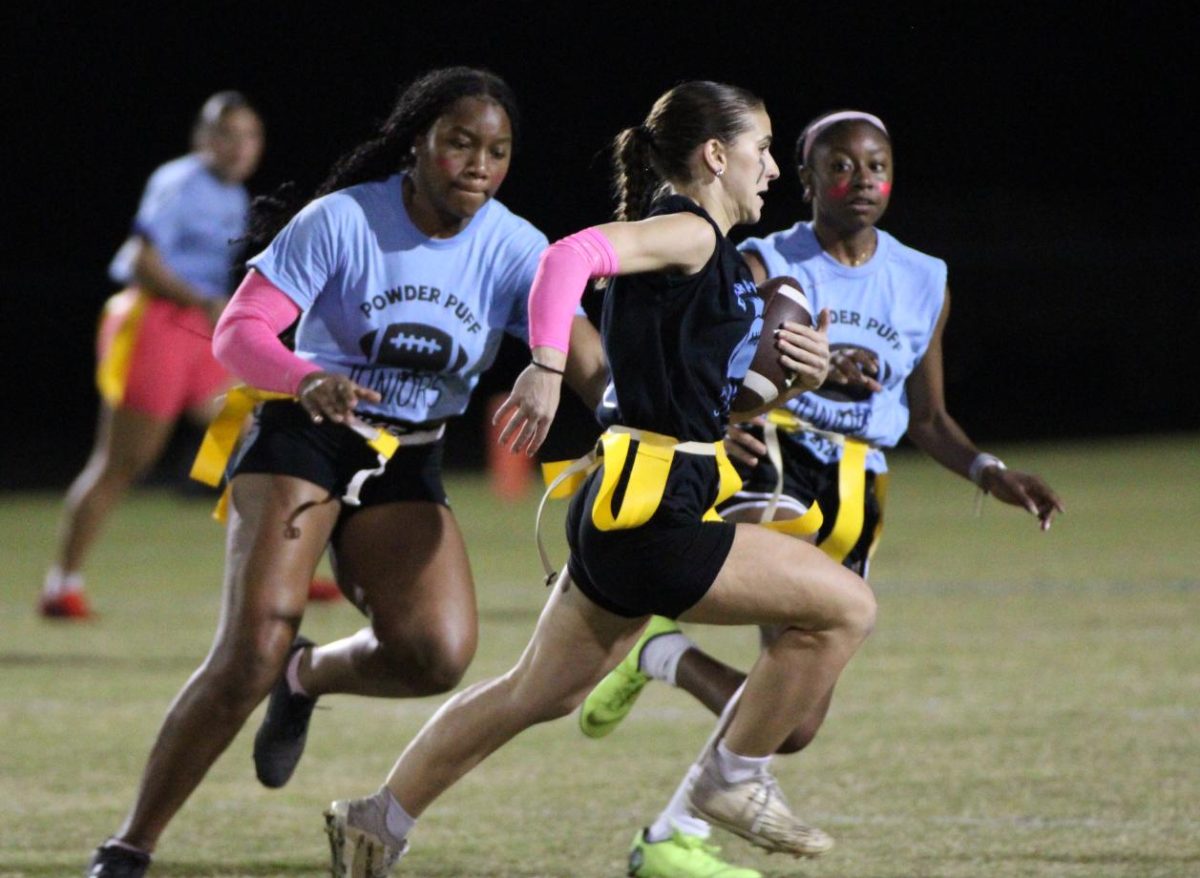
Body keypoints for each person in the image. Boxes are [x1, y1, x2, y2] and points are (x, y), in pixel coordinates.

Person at [324, 80, 878, 878]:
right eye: (760, 150)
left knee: (535, 694)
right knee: (845, 608)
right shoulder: (686, 231)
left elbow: (694, 398)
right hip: (655, 512)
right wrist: (547, 364)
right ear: (715, 155)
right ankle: (732, 779)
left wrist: (795, 381)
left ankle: (377, 820)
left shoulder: (707, 254)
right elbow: (567, 255)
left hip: (631, 500)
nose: (771, 170)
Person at [84, 66, 606, 878]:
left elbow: (585, 360)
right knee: (250, 647)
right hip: (306, 432)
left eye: (497, 151)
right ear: (417, 143)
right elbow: (237, 331)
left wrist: (639, 419)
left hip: (408, 454)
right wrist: (302, 375)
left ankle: (307, 676)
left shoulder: (515, 245)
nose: (478, 164)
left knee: (436, 652)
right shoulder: (342, 220)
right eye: (460, 142)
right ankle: (129, 845)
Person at [577, 109, 1066, 878]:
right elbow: (700, 356)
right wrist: (759, 395)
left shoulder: (922, 278)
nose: (861, 180)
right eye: (839, 166)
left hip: (859, 494)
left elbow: (928, 416)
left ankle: (661, 662)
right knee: (794, 687)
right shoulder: (764, 258)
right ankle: (675, 838)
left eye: (876, 165)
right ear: (804, 180)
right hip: (776, 471)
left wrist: (988, 471)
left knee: (795, 724)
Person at [40, 92, 264, 619]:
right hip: (152, 321)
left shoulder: (235, 195)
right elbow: (142, 259)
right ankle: (61, 584)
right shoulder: (180, 182)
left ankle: (259, 563)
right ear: (203, 140)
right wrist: (204, 301)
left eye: (250, 136)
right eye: (227, 135)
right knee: (124, 462)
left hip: (196, 327)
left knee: (248, 429)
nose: (239, 147)